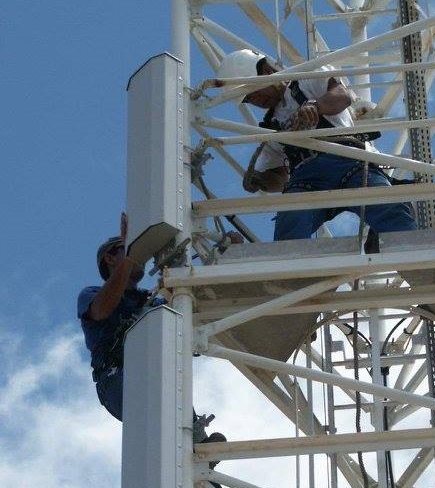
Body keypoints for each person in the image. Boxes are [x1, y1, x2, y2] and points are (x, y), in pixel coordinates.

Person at [78, 213, 226, 484]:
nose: (139, 254)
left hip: (151, 372)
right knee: (160, 412)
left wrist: (228, 255)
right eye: (126, 248)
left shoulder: (153, 299)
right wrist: (130, 254)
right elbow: (101, 310)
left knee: (172, 395)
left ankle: (199, 459)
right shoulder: (91, 294)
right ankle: (191, 450)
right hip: (116, 378)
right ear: (110, 258)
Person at [218, 49, 417, 241]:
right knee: (290, 224)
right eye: (249, 99)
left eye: (253, 91)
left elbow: (342, 97)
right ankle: (293, 270)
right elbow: (279, 179)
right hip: (306, 180)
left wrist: (316, 107)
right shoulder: (270, 129)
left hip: (350, 161)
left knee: (388, 208)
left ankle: (414, 254)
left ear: (267, 72)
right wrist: (260, 180)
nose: (256, 100)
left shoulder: (308, 77)